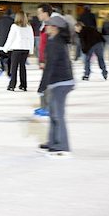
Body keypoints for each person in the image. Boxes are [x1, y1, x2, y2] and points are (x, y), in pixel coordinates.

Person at [38, 16, 75, 157]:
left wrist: (42, 86)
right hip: (59, 81)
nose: (46, 27)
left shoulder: (56, 43)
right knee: (54, 113)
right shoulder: (53, 40)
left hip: (62, 82)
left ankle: (62, 146)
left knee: (58, 114)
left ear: (55, 28)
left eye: (49, 25)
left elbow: (50, 67)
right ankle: (53, 142)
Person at [35, 3, 65, 117]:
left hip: (50, 59)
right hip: (45, 58)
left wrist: (46, 59)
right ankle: (44, 106)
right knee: (46, 83)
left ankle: (48, 107)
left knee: (48, 84)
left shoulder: (52, 26)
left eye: (39, 13)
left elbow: (52, 44)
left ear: (45, 13)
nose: (38, 15)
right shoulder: (45, 24)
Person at [2, 11, 34, 92]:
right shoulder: (29, 27)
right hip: (25, 49)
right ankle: (23, 85)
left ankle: (12, 85)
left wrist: (5, 48)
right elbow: (31, 38)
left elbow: (10, 38)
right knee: (22, 67)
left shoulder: (14, 26)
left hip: (17, 48)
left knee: (14, 67)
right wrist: (31, 49)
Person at [0, 9, 14, 77]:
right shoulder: (12, 21)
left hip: (1, 41)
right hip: (10, 43)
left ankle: (2, 67)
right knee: (9, 58)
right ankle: (9, 72)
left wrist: (0, 37)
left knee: (1, 56)